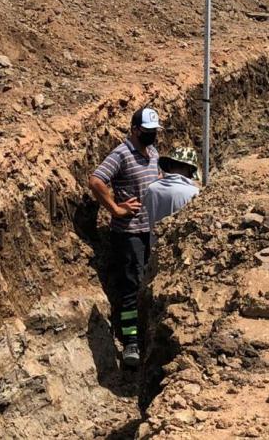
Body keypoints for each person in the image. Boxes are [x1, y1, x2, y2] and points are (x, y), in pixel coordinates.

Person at [89, 106, 162, 369]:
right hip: (129, 233)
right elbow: (96, 180)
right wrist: (117, 208)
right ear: (134, 130)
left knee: (148, 284)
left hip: (150, 231)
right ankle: (131, 341)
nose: (152, 136)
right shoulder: (122, 153)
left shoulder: (152, 152)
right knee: (132, 286)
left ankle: (144, 334)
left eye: (154, 132)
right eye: (147, 132)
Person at [143, 147, 200, 231]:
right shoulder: (194, 193)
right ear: (190, 169)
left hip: (153, 243)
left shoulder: (152, 188)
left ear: (169, 165)